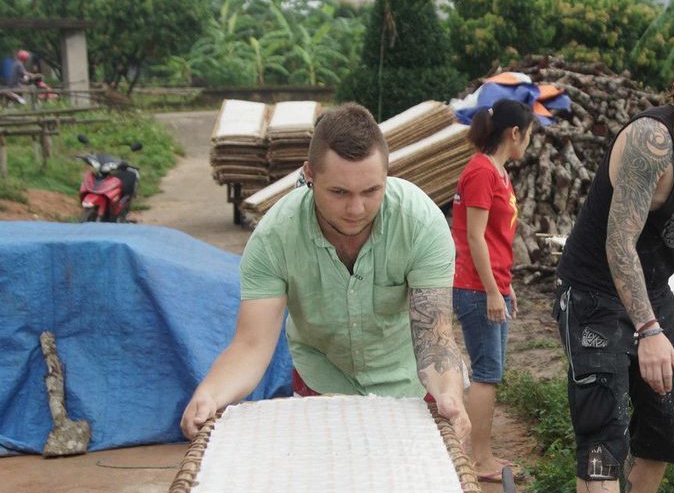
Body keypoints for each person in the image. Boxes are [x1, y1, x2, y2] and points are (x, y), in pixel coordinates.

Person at [180, 103, 469, 440]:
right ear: (309, 175)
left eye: (371, 191)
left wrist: (449, 395)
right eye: (339, 192)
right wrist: (210, 395)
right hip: (320, 380)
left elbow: (435, 337)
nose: (356, 209)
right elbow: (251, 345)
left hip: (408, 384)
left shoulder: (421, 224)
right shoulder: (275, 237)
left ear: (386, 177)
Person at [553, 25, 674, 493]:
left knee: (666, 412)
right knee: (605, 425)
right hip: (593, 291)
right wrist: (648, 331)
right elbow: (619, 243)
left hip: (651, 289)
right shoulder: (651, 140)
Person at [450, 99, 534, 481]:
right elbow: (475, 237)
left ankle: (483, 453)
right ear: (514, 133)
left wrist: (506, 285)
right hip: (474, 286)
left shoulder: (497, 172)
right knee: (486, 373)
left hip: (490, 284)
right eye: (529, 135)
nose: (529, 143)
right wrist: (491, 291)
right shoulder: (482, 172)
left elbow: (498, 238)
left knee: (491, 372)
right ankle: (477, 459)